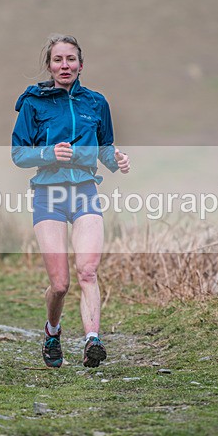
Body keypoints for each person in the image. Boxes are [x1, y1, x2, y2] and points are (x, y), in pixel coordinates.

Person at [12, 34, 130, 368]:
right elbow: (18, 154)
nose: (65, 66)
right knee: (60, 284)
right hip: (48, 196)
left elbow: (104, 147)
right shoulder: (34, 103)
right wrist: (50, 153)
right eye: (58, 60)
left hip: (85, 193)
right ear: (49, 65)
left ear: (81, 64)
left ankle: (93, 341)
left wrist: (116, 159)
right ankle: (52, 331)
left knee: (88, 271)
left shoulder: (96, 103)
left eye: (71, 59)